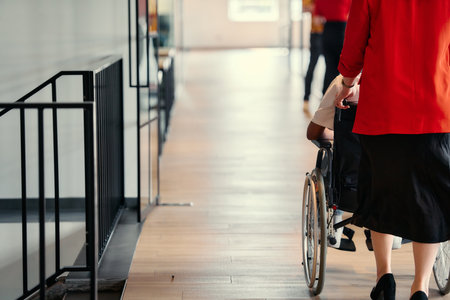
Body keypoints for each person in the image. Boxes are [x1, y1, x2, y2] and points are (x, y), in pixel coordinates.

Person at [335, 1, 450, 300]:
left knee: (381, 193)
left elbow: (354, 43)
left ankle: (384, 277)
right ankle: (420, 287)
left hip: (382, 106)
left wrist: (348, 81)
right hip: (436, 106)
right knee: (432, 201)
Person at [314, 0, 351, 95]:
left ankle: (326, 98)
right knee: (344, 69)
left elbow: (317, 20)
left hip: (328, 31)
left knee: (329, 68)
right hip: (342, 32)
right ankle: (341, 98)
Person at [302, 0, 324, 113]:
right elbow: (305, 8)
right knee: (312, 65)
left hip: (333, 30)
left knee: (332, 68)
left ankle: (326, 100)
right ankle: (306, 98)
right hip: (316, 33)